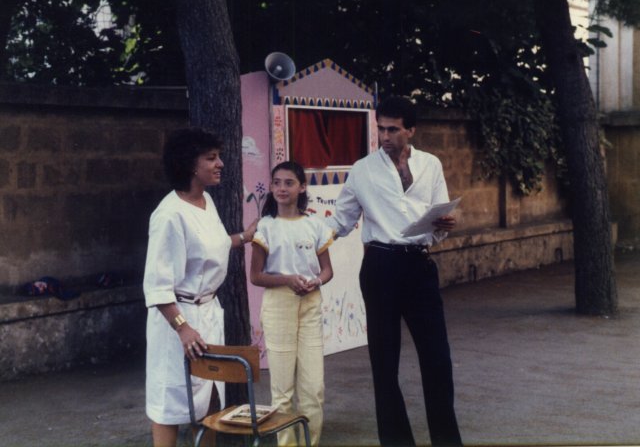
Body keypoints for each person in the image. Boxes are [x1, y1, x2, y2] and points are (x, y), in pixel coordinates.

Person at [326, 96, 462, 447]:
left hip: (419, 265)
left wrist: (447, 222)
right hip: (381, 266)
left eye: (392, 129)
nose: (384, 136)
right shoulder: (362, 170)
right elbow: (340, 222)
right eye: (380, 128)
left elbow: (440, 221)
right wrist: (295, 236)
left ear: (410, 130)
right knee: (384, 365)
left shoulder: (431, 164)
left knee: (438, 361)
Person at [143, 128, 257, 447]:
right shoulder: (168, 216)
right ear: (191, 164)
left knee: (208, 402)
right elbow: (157, 284)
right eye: (211, 158)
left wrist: (245, 237)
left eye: (218, 156)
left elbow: (214, 246)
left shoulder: (206, 201)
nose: (220, 163)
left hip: (208, 314)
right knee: (171, 403)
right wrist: (183, 329)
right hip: (177, 321)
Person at [250, 161, 334, 446]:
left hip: (310, 303)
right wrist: (287, 279)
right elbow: (256, 276)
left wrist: (316, 282)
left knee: (314, 388)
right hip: (278, 307)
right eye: (277, 182)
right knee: (282, 390)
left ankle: (310, 441)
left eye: (289, 183)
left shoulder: (315, 224)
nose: (282, 188)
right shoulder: (266, 227)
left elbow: (327, 270)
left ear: (302, 187)